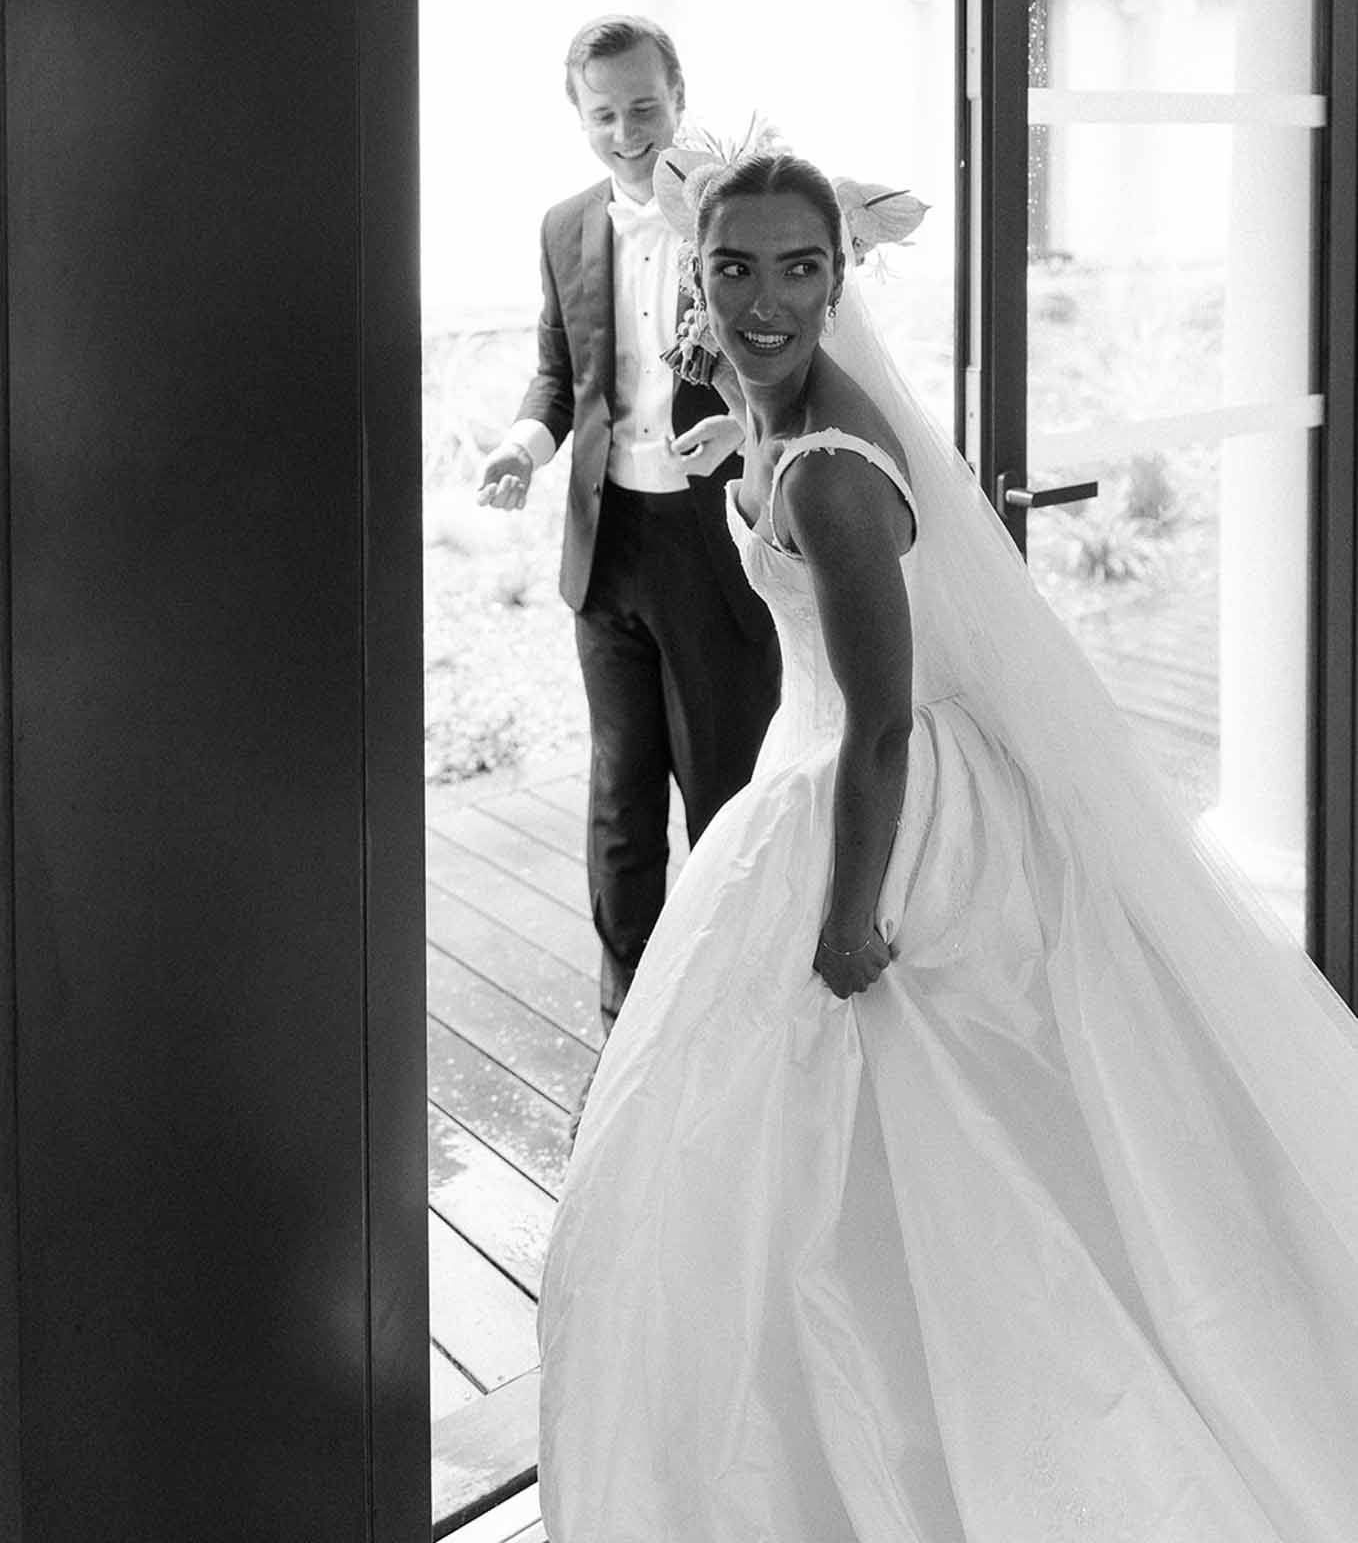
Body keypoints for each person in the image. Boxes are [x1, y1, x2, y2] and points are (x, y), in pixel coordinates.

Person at [538, 148, 1358, 1542]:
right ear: (695, 271)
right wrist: (733, 440)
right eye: (734, 265)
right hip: (826, 785)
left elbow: (878, 728)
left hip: (878, 819)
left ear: (839, 278)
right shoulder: (773, 419)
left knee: (916, 1165)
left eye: (800, 267)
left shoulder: (832, 479)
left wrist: (851, 917)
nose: (764, 296)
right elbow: (780, 437)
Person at [476, 16, 780, 1046]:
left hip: (716, 549)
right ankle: (628, 1018)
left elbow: (793, 365)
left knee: (726, 792)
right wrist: (525, 442)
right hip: (608, 551)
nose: (625, 131)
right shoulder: (563, 225)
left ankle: (738, 1007)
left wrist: (749, 429)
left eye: (642, 107)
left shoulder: (739, 220)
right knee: (617, 799)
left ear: (679, 96)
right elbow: (558, 373)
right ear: (579, 117)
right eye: (602, 113)